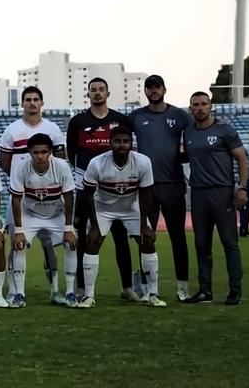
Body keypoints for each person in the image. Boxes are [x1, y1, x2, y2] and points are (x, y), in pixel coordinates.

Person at [78, 126, 166, 308]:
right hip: (103, 207)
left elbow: (145, 195)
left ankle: (152, 294)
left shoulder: (143, 162)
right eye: (117, 141)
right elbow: (87, 195)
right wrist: (94, 226)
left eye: (126, 141)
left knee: (147, 241)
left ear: (131, 144)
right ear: (110, 143)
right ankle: (88, 296)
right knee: (92, 242)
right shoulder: (97, 163)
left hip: (130, 206)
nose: (122, 145)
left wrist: (144, 225)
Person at [67, 78, 136, 302]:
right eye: (93, 90)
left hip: (115, 188)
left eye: (101, 90)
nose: (97, 93)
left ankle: (127, 287)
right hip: (85, 187)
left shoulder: (120, 119)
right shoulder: (78, 121)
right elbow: (71, 152)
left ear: (108, 93)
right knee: (84, 237)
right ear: (88, 94)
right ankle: (81, 288)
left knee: (120, 237)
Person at [0, 86, 68, 305]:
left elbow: (60, 158)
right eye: (27, 99)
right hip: (22, 194)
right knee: (17, 242)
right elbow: (4, 161)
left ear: (41, 103)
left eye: (35, 99)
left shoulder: (53, 129)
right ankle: (15, 291)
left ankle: (55, 290)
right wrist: (21, 179)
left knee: (50, 245)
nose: (31, 103)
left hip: (49, 197)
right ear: (22, 103)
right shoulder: (12, 130)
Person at [129, 74, 192, 301]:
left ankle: (182, 288)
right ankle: (145, 288)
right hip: (146, 187)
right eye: (150, 88)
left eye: (157, 87)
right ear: (145, 92)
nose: (154, 91)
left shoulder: (179, 115)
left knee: (178, 238)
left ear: (164, 89)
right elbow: (119, 139)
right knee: (145, 237)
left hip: (173, 185)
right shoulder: (136, 116)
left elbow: (197, 134)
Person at [182, 91, 249, 306]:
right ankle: (204, 290)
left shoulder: (225, 129)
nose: (200, 108)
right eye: (196, 104)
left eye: (204, 104)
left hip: (222, 193)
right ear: (190, 108)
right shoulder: (188, 131)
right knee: (201, 244)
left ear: (211, 106)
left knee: (230, 243)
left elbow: (242, 158)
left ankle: (235, 290)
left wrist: (241, 187)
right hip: (199, 193)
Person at [10, 133, 77, 308]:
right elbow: (16, 199)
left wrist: (68, 228)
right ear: (30, 152)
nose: (40, 156)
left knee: (71, 244)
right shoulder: (21, 168)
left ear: (51, 152)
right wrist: (18, 231)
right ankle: (19, 294)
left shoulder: (62, 167)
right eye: (36, 152)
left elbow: (69, 197)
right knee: (19, 245)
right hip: (31, 214)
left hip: (56, 214)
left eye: (44, 152)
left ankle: (70, 292)